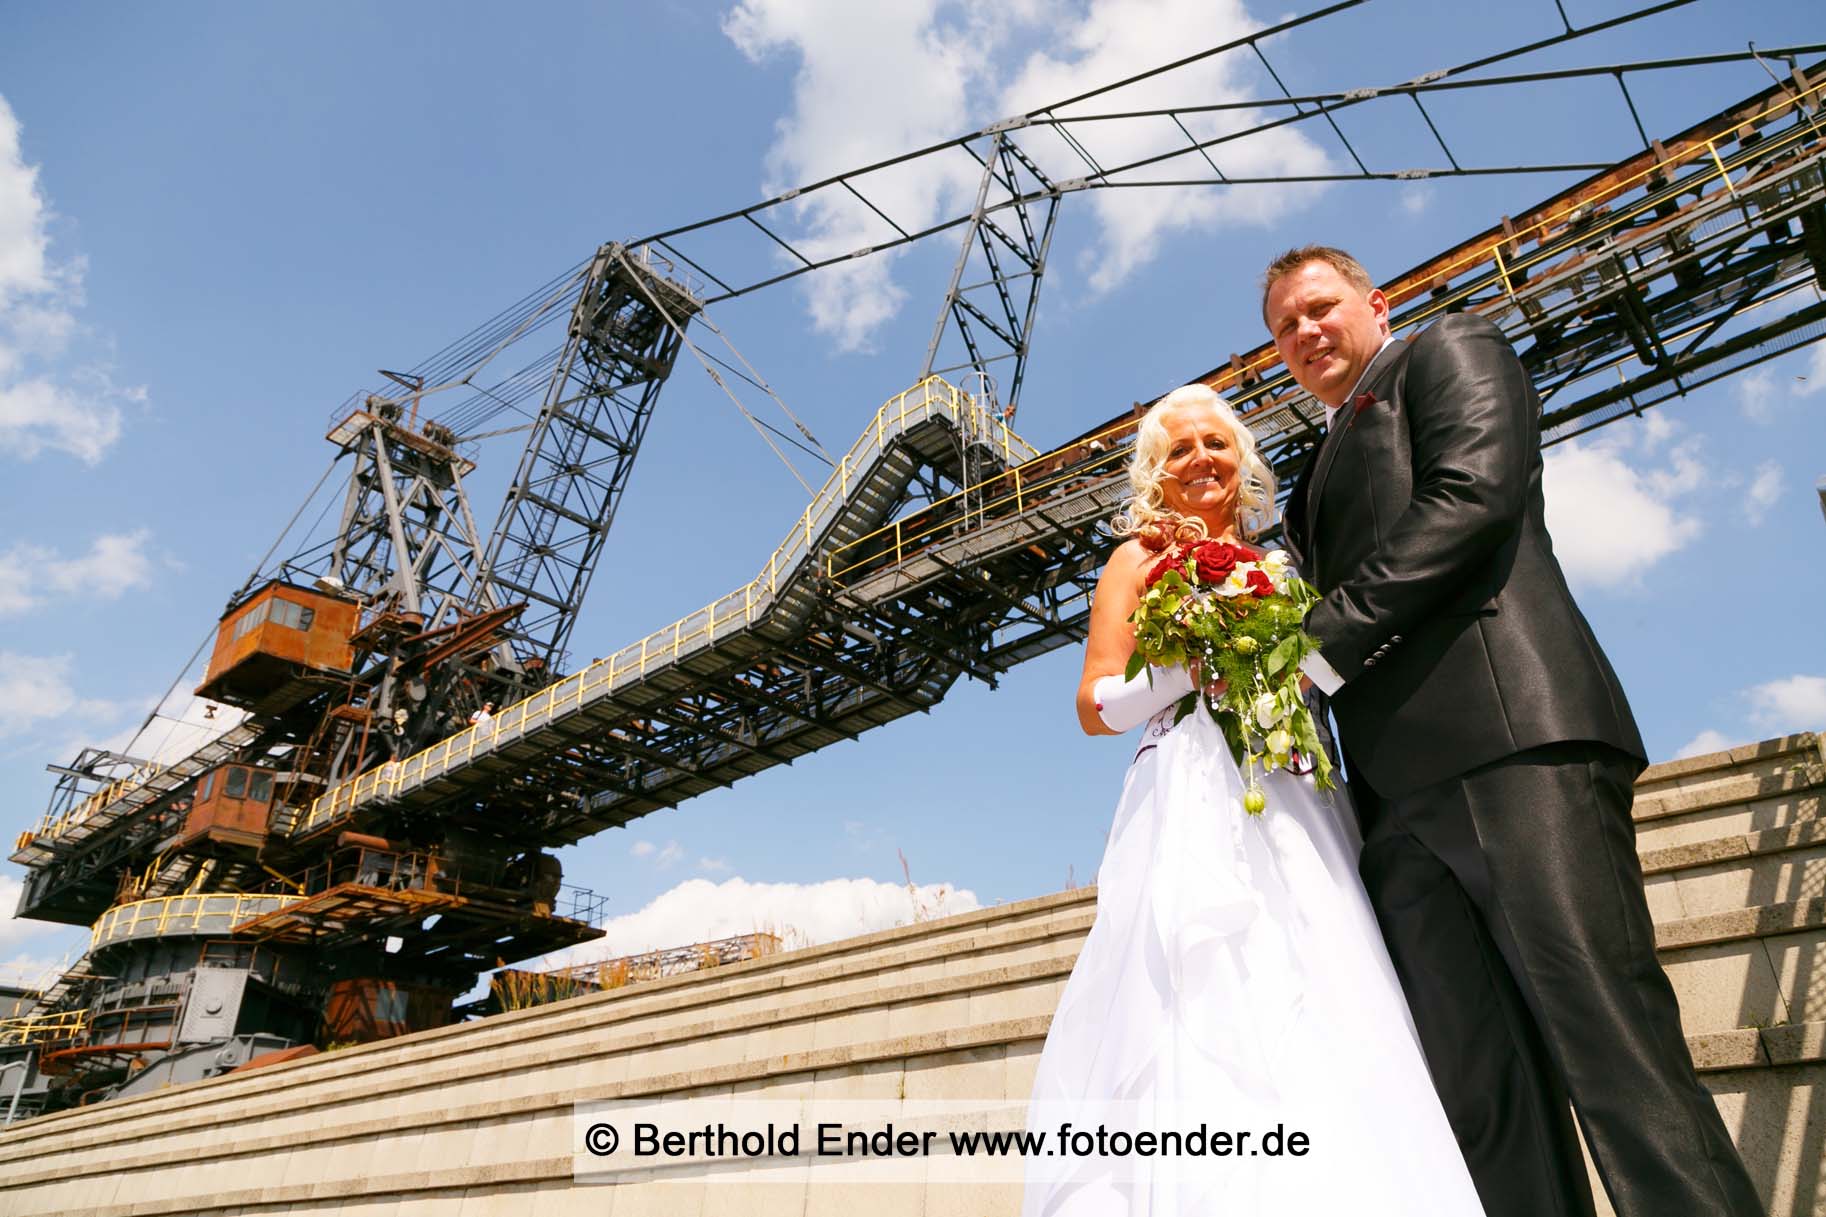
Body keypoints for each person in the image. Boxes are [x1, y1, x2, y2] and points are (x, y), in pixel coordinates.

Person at [1265, 245, 1763, 1217]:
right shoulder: (1310, 466)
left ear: (1374, 302)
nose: (1304, 333)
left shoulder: (1445, 351)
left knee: (1609, 1048)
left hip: (1507, 742)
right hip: (1391, 806)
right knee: (1481, 1092)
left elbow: (1471, 497)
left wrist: (1309, 653)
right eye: (1283, 326)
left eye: (1318, 308)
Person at [1021, 384, 1485, 1216]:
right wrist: (1182, 666)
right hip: (1190, 785)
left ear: (1243, 460)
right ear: (1155, 475)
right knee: (1199, 980)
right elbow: (1093, 703)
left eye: (1216, 443)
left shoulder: (1284, 560)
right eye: (1178, 450)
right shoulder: (1136, 559)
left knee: (1324, 957)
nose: (1201, 458)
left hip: (1295, 783)